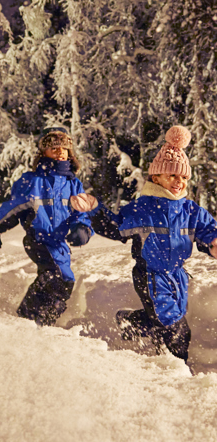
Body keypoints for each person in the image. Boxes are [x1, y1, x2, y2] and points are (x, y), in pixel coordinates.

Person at [70, 125, 217, 363]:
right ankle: (176, 371)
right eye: (172, 176)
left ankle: (132, 322)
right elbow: (116, 227)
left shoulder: (191, 211)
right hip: (150, 273)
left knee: (171, 320)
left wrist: (213, 243)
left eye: (183, 177)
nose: (178, 182)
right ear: (156, 177)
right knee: (174, 326)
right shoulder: (143, 208)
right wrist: (95, 209)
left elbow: (208, 231)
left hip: (177, 275)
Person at [0, 128, 93, 326]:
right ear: (43, 152)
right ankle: (29, 317)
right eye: (54, 147)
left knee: (65, 283)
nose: (60, 151)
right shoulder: (32, 180)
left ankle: (42, 319)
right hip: (38, 238)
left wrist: (82, 228)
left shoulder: (73, 184)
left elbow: (82, 212)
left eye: (64, 148)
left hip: (59, 244)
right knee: (54, 275)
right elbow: (14, 207)